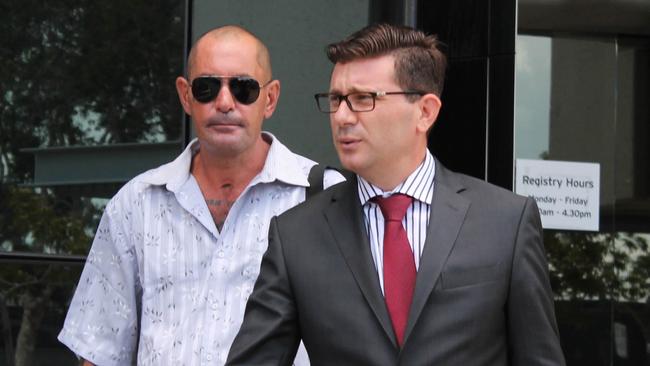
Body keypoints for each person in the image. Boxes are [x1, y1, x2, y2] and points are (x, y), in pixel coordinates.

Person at [226, 23, 566, 365]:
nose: (342, 116)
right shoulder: (297, 235)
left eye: (363, 99)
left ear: (425, 112)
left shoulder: (505, 221)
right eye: (336, 100)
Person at [58, 25, 341, 365]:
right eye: (206, 87)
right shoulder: (136, 204)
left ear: (270, 99)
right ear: (185, 95)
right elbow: (100, 350)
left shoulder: (326, 197)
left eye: (243, 88)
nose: (224, 102)